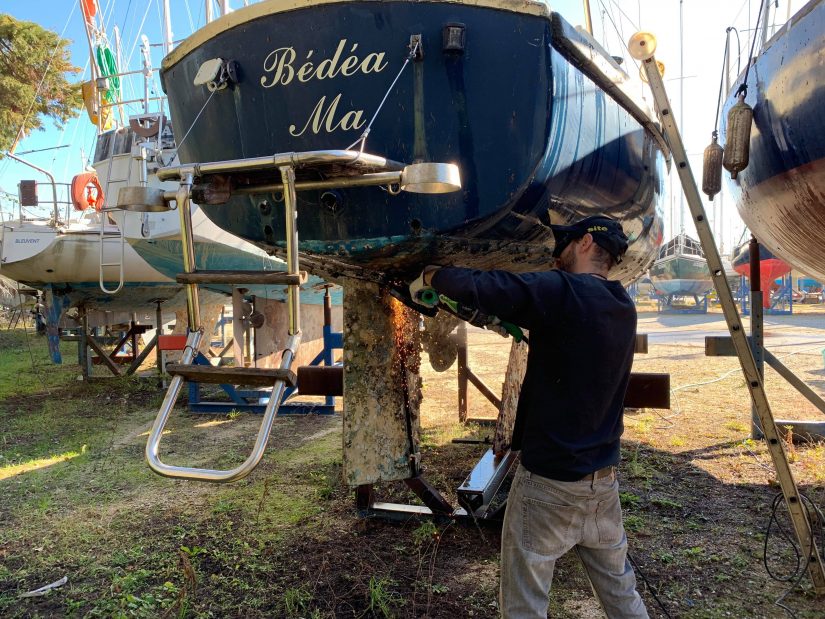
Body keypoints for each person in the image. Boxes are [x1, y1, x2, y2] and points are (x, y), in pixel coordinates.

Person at [410, 215, 648, 618]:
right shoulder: (623, 306)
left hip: (549, 486)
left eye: (564, 247)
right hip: (602, 486)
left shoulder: (561, 292)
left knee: (524, 604)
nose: (557, 256)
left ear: (586, 242)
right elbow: (568, 334)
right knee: (622, 596)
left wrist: (432, 276)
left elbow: (490, 287)